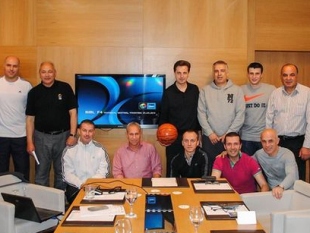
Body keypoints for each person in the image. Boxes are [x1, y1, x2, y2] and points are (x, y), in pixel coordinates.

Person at [26, 61, 78, 190]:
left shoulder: (65, 88)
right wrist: (29, 142)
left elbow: (73, 113)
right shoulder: (33, 93)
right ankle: (43, 206)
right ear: (39, 74)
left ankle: (59, 205)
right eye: (43, 72)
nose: (47, 75)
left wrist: (72, 134)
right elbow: (30, 120)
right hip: (41, 138)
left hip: (63, 137)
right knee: (41, 173)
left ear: (55, 72)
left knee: (61, 172)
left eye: (50, 71)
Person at [198, 60, 245, 175]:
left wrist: (229, 134)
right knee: (209, 170)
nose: (219, 74)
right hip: (210, 139)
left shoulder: (237, 90)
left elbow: (240, 114)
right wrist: (210, 133)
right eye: (216, 71)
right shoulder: (205, 91)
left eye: (222, 71)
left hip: (230, 139)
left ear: (227, 73)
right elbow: (201, 114)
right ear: (213, 73)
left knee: (230, 170)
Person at [266, 63, 310, 181]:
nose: (288, 78)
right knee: (279, 176)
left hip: (298, 143)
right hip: (278, 142)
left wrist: (307, 146)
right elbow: (269, 119)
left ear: (297, 76)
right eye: (285, 75)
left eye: (292, 75)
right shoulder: (275, 94)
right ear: (281, 76)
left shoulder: (307, 93)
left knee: (298, 178)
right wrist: (269, 142)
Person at [159, 60, 200, 177]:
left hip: (191, 138)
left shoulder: (195, 90)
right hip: (174, 139)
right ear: (174, 73)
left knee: (192, 172)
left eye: (184, 73)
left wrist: (199, 135)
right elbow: (163, 117)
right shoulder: (168, 92)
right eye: (179, 73)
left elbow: (199, 113)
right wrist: (163, 138)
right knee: (173, 172)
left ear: (188, 73)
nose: (182, 76)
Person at [62, 119, 110, 203]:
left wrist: (90, 184)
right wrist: (81, 184)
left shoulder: (100, 149)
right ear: (79, 131)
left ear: (94, 132)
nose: (87, 134)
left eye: (90, 131)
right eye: (84, 130)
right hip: (76, 188)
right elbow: (67, 174)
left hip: (96, 187)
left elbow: (104, 172)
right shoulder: (69, 150)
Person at [0, 56, 32, 180]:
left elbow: (31, 114)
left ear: (19, 67)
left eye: (15, 66)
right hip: (1, 136)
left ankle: (23, 198)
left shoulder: (26, 86)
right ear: (4, 66)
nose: (11, 69)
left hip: (21, 137)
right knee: (1, 174)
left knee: (22, 173)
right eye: (9, 65)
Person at [240, 62, 275, 156]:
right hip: (246, 137)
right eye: (251, 73)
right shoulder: (240, 90)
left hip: (264, 138)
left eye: (257, 73)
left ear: (261, 75)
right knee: (247, 168)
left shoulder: (271, 90)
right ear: (248, 74)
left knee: (265, 168)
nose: (254, 76)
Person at [253, 129, 299, 199]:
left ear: (277, 141)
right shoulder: (259, 154)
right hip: (272, 194)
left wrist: (280, 187)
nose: (267, 145)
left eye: (270, 141)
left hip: (291, 193)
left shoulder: (287, 154)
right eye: (264, 141)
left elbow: (292, 175)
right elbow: (246, 161)